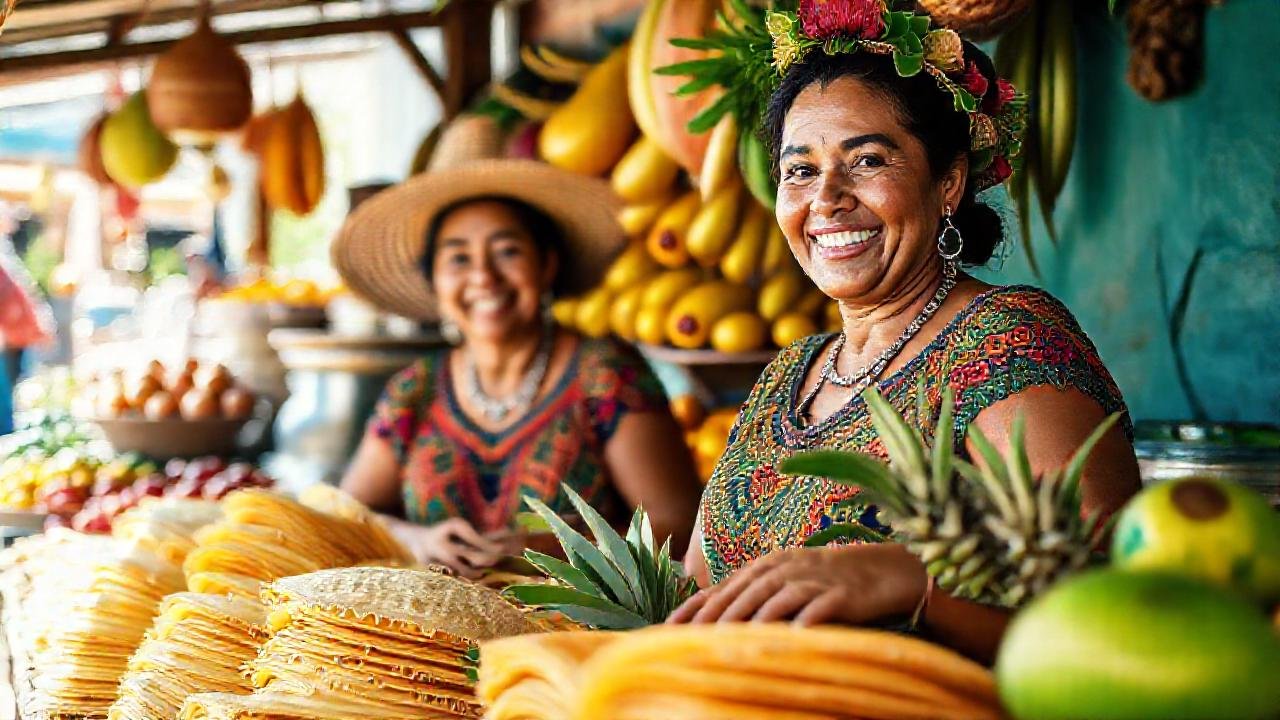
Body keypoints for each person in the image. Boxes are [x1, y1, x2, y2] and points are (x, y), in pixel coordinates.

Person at [665, 4, 1142, 661]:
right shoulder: (791, 371)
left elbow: (1111, 617)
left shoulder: (1005, 339)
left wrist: (911, 584)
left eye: (866, 161)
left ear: (948, 182)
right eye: (799, 170)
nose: (825, 197)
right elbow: (694, 596)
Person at [331, 117, 702, 577]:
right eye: (459, 258)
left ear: (547, 265)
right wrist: (416, 539)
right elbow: (343, 514)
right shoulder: (415, 391)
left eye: (507, 251)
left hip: (575, 640)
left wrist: (549, 547)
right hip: (426, 643)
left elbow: (681, 525)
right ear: (434, 281)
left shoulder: (607, 377)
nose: (484, 277)